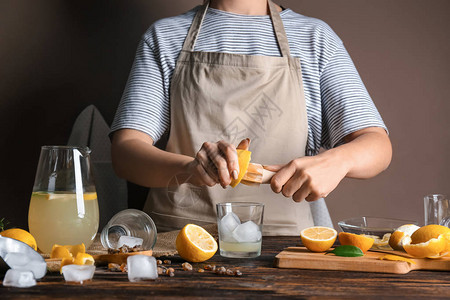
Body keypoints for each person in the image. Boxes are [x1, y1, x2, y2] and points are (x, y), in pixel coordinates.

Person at [110, 0, 392, 235]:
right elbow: (125, 153)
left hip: (288, 244)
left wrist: (338, 160)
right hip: (179, 240)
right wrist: (190, 168)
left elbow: (377, 145)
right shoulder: (164, 36)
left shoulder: (314, 38)